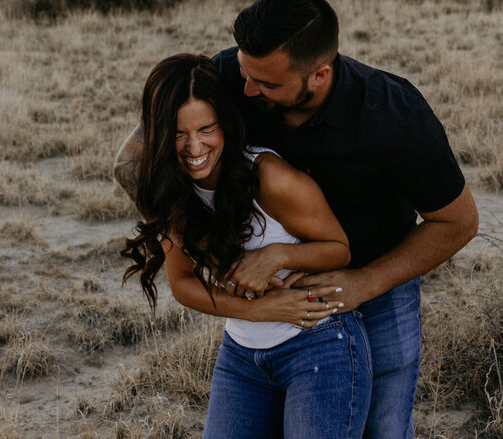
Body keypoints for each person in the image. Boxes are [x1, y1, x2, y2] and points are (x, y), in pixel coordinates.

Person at [116, 0, 479, 439]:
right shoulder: (234, 73)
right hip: (266, 321)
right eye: (246, 74)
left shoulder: (394, 115)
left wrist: (365, 283)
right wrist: (210, 247)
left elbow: (459, 221)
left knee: (384, 428)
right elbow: (130, 164)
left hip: (379, 277)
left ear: (319, 74)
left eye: (266, 84)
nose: (247, 90)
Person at [122, 53, 372, 439]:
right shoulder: (172, 191)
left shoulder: (269, 178)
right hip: (241, 354)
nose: (194, 148)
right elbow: (183, 284)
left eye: (207, 128)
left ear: (225, 122)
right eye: (178, 133)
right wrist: (259, 310)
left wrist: (276, 255)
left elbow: (339, 249)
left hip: (318, 342)